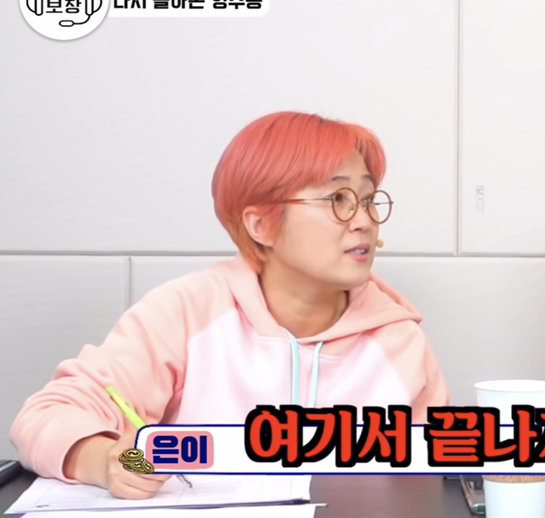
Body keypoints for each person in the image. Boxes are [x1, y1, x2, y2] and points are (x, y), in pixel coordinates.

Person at [9, 111, 450, 499]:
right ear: (260, 224)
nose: (364, 221)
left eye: (368, 200)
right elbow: (46, 416)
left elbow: (436, 475)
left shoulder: (399, 340)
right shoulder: (187, 312)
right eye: (338, 200)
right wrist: (107, 461)